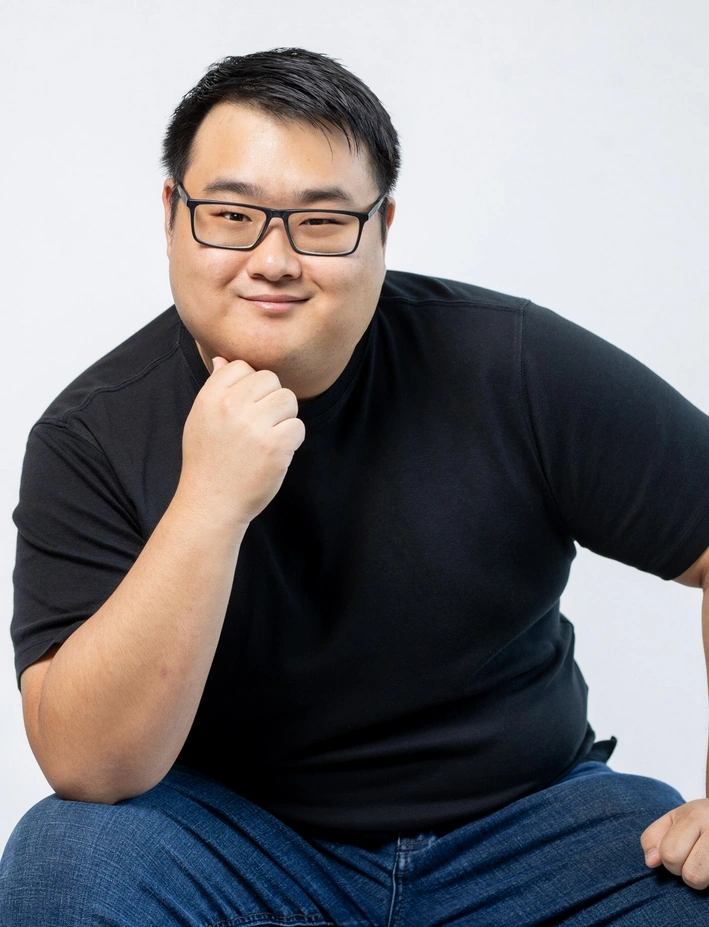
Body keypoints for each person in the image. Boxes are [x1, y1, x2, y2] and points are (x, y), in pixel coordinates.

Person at [2, 46, 709, 926]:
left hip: (529, 828)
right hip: (235, 843)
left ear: (381, 226)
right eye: (231, 215)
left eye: (322, 221)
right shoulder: (90, 433)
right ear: (172, 215)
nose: (272, 259)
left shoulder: (509, 364)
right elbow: (87, 764)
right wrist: (209, 502)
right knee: (63, 860)